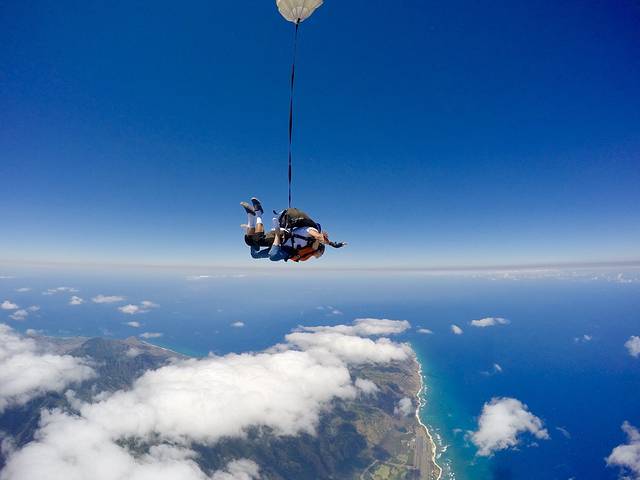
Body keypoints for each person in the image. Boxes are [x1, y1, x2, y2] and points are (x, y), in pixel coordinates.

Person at [241, 199, 343, 262]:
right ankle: (256, 214)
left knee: (254, 251)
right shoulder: (309, 230)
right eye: (320, 253)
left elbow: (315, 246)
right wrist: (331, 243)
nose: (316, 255)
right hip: (282, 239)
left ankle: (252, 218)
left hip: (283, 247)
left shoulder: (310, 248)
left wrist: (326, 242)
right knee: (271, 254)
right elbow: (317, 237)